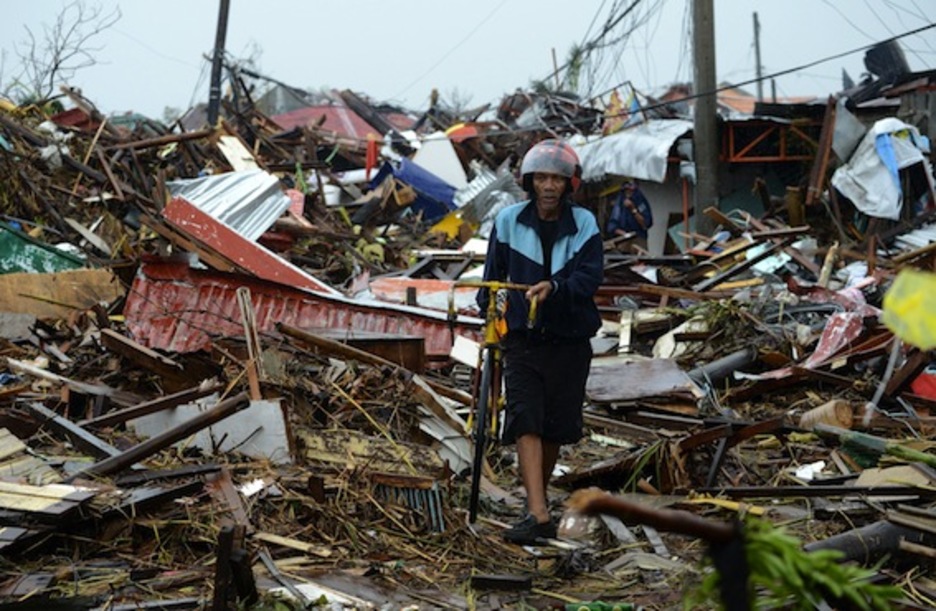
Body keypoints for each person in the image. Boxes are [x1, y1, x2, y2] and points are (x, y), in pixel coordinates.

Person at [478, 139, 603, 545]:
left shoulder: (584, 224)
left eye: (558, 178)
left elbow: (590, 278)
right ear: (529, 182)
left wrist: (556, 286)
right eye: (542, 178)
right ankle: (538, 512)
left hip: (569, 339)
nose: (549, 186)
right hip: (522, 340)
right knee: (525, 420)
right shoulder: (508, 221)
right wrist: (490, 314)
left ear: (570, 184)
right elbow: (491, 277)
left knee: (553, 429)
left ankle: (537, 502)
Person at [606, 178, 653, 252]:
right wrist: (624, 234)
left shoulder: (640, 202)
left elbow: (646, 224)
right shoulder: (620, 203)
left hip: (639, 239)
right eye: (626, 191)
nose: (628, 194)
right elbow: (612, 226)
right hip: (623, 240)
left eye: (631, 191)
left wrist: (633, 209)